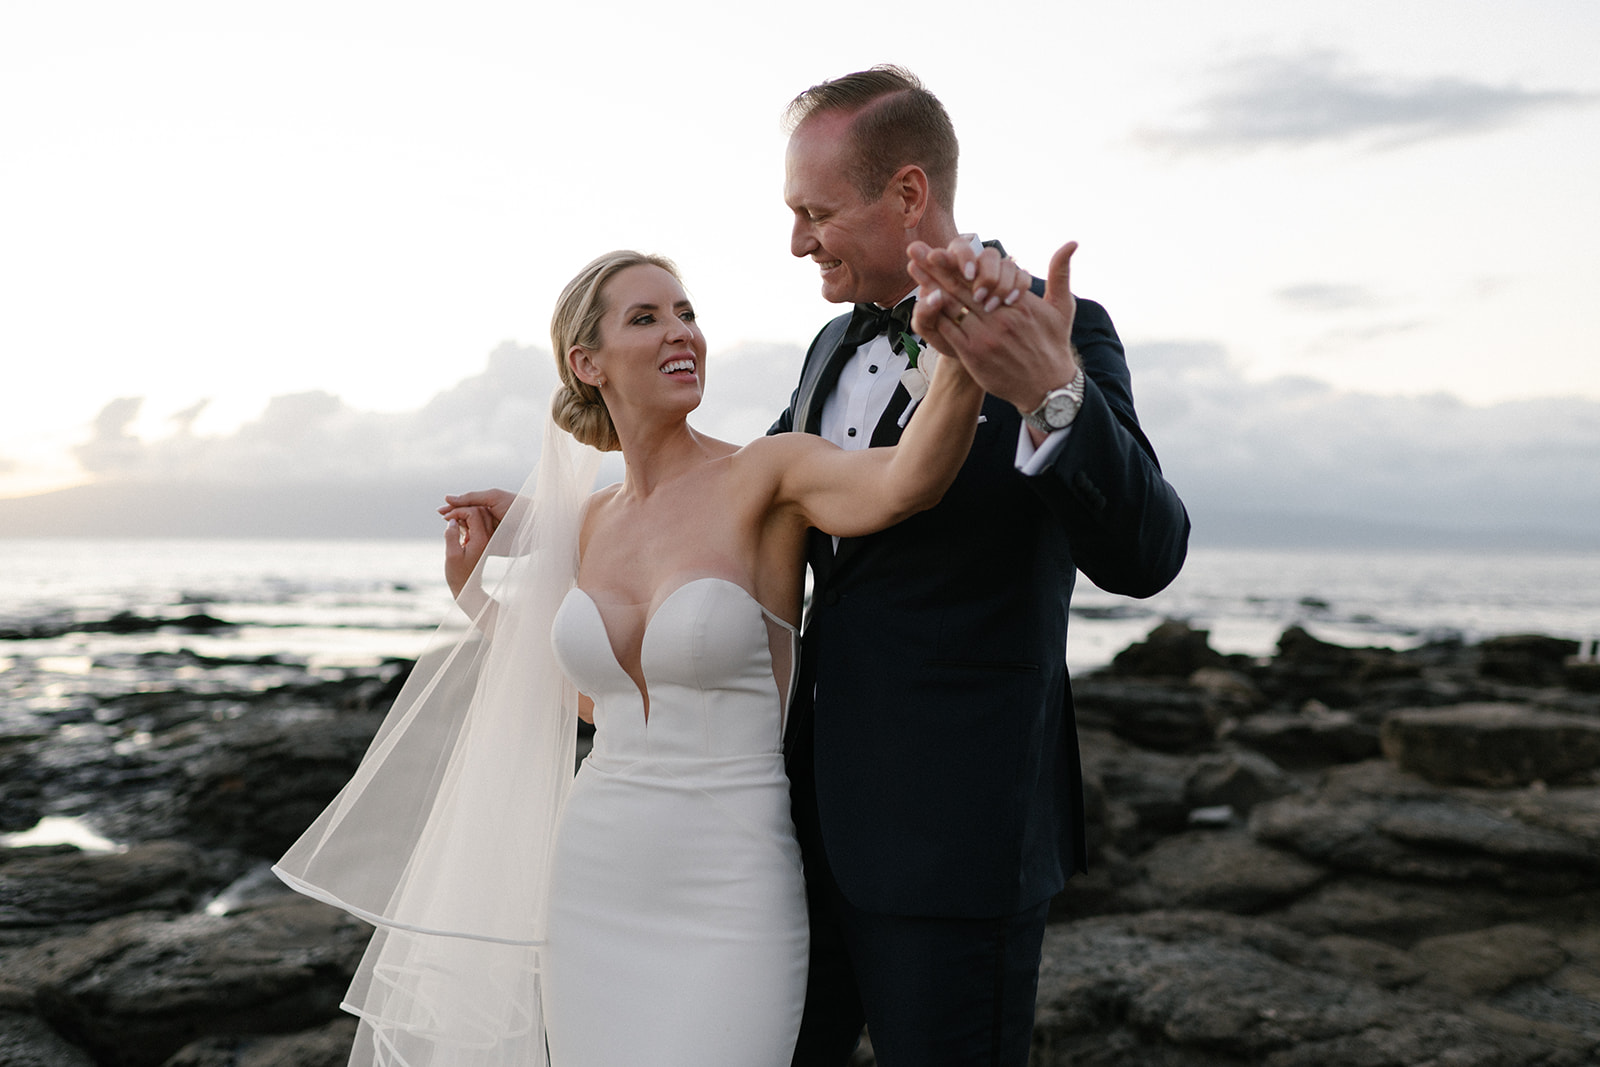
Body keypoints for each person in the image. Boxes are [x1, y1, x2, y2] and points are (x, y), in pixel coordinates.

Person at [276, 247, 1004, 1066]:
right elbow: (602, 704)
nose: (680, 333)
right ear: (588, 363)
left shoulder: (767, 474)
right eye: (647, 317)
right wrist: (478, 600)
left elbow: (909, 480)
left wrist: (963, 357)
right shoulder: (589, 522)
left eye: (686, 313)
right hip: (595, 878)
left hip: (732, 884)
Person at [771, 66, 1191, 1066]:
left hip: (956, 845)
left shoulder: (1061, 329)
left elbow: (1148, 552)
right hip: (794, 830)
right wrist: (556, 523)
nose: (796, 241)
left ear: (907, 194)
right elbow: (749, 495)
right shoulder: (831, 345)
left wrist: (1052, 396)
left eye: (814, 212)